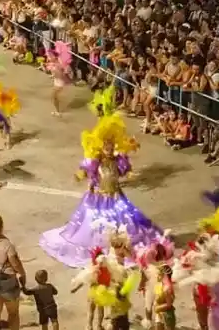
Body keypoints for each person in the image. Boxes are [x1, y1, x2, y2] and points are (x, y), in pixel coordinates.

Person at [40, 94, 164, 267]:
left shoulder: (118, 160)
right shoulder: (96, 160)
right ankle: (103, 248)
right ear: (101, 146)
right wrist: (81, 176)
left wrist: (129, 174)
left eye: (111, 147)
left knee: (125, 222)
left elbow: (124, 172)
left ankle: (120, 247)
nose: (108, 149)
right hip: (97, 198)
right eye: (106, 146)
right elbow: (87, 171)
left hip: (115, 197)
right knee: (95, 225)